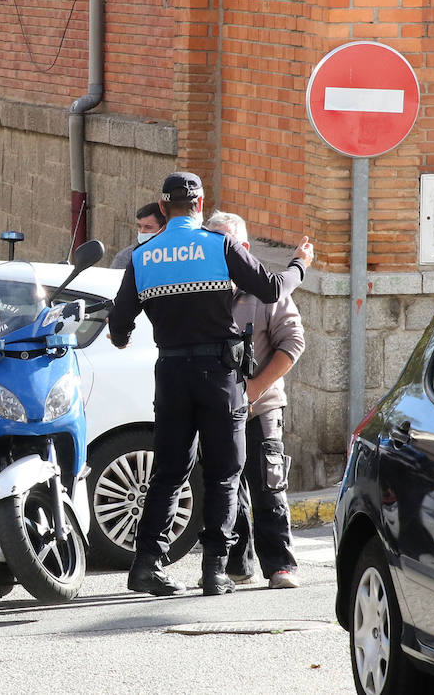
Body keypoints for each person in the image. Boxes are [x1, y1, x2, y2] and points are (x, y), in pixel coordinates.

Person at [107, 171, 313, 597]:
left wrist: (124, 336)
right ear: (199, 205)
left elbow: (119, 325)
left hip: (171, 375)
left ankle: (147, 563)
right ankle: (215, 571)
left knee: (169, 471)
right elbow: (272, 289)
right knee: (224, 474)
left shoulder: (143, 256)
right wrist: (299, 266)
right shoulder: (220, 246)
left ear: (163, 209)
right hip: (220, 378)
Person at [205, 211, 305, 590]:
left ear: (243, 249)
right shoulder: (201, 289)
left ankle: (281, 565)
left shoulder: (266, 291)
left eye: (226, 247)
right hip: (216, 408)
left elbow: (293, 344)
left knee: (267, 483)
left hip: (260, 406)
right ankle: (237, 563)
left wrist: (253, 389)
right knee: (225, 487)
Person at [110, 202, 167, 269]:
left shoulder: (172, 254)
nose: (142, 231)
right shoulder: (126, 256)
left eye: (148, 227)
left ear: (163, 228)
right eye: (139, 226)